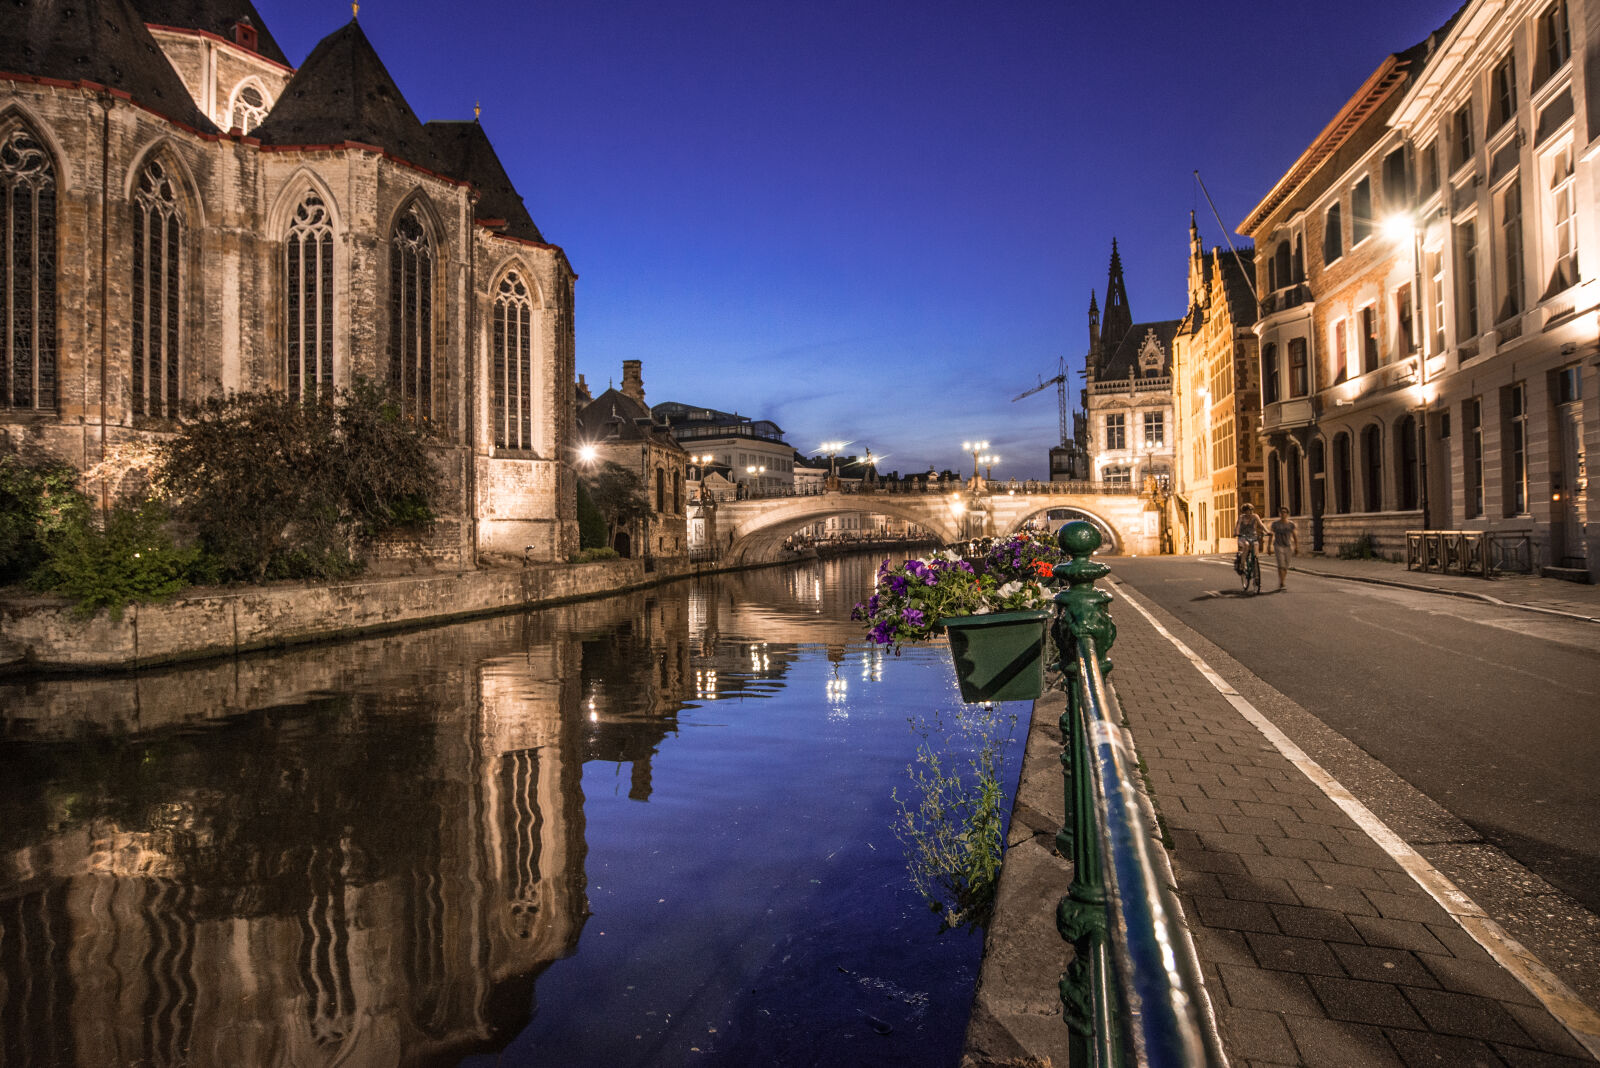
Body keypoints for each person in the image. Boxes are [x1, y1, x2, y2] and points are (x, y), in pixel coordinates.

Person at [1268, 507, 1300, 591]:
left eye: (1285, 512)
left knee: (1285, 566)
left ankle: (1282, 580)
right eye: (1281, 512)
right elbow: (1271, 535)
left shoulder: (1291, 524)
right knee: (1281, 565)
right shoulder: (1275, 524)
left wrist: (1296, 547)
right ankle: (1282, 583)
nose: (1283, 514)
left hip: (1288, 546)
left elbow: (1294, 536)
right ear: (1279, 514)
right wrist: (1269, 547)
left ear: (1287, 514)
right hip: (1278, 545)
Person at [1234, 503, 1266, 576]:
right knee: (1246, 545)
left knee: (1255, 548)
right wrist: (1237, 532)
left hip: (1253, 536)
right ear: (1244, 511)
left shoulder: (1255, 516)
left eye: (1251, 510)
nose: (1250, 512)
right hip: (1243, 536)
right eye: (1248, 510)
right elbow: (1238, 526)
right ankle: (1242, 565)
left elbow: (1261, 525)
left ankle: (1255, 566)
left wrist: (1267, 531)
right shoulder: (1241, 517)